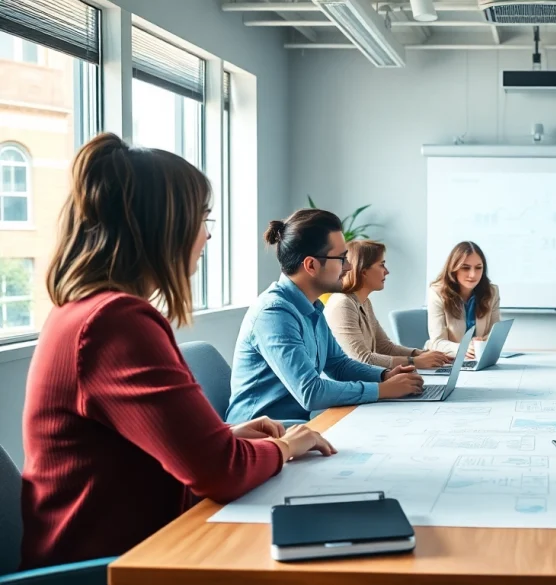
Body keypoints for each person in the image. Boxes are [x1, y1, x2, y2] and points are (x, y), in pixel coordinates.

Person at [20, 134, 335, 570]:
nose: (207, 234)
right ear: (162, 226)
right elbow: (220, 473)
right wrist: (286, 448)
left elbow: (154, 451)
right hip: (114, 566)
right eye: (202, 218)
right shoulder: (115, 322)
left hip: (139, 544)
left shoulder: (82, 310)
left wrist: (226, 438)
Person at [227, 210, 424, 423]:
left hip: (299, 424)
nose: (348, 267)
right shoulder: (274, 314)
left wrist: (384, 376)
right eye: (341, 258)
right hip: (262, 434)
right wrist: (381, 390)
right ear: (311, 265)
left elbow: (339, 365)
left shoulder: (313, 306)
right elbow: (311, 392)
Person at [324, 240, 451, 369]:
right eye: (381, 265)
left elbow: (384, 347)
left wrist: (423, 354)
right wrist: (414, 361)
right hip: (352, 386)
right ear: (363, 271)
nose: (386, 271)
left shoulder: (364, 302)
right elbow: (362, 359)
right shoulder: (342, 304)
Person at [426, 241, 501, 359]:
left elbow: (495, 334)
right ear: (453, 268)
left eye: (478, 268)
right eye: (465, 268)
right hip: (445, 360)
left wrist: (481, 342)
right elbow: (437, 342)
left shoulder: (491, 292)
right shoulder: (437, 293)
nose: (473, 274)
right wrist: (462, 348)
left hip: (476, 360)